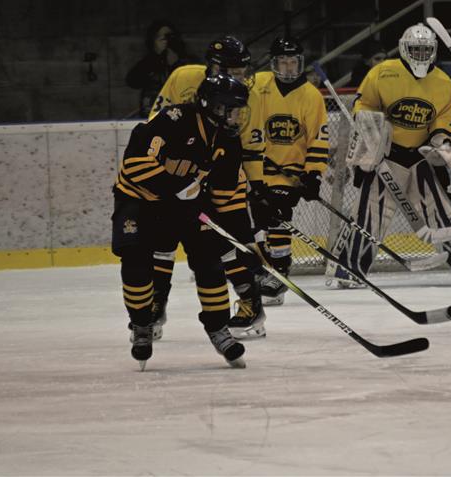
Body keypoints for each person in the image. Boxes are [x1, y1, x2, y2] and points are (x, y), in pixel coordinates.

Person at [327, 23, 451, 288]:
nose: (419, 55)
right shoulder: (382, 73)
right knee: (370, 214)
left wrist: (441, 145)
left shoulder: (442, 82)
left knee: (440, 211)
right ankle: (351, 269)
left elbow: (444, 122)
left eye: (425, 50)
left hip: (420, 158)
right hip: (386, 156)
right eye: (414, 49)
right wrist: (372, 128)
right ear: (404, 49)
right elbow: (364, 105)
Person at [111, 73, 257, 370]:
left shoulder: (228, 140)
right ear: (213, 106)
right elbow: (135, 162)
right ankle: (141, 324)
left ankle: (218, 328)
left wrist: (246, 241)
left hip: (185, 203)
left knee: (210, 261)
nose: (237, 117)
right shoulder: (174, 120)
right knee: (136, 262)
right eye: (232, 109)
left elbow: (227, 196)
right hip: (139, 200)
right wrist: (174, 186)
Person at [140, 36, 265, 340]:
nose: (242, 78)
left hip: (223, 173)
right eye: (235, 70)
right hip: (182, 175)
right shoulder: (184, 77)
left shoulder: (248, 95)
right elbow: (155, 126)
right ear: (215, 66)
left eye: (243, 70)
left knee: (227, 244)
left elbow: (247, 147)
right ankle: (156, 306)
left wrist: (257, 188)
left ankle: (251, 305)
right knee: (161, 242)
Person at [241, 36, 329, 306]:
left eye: (293, 62)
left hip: (288, 173)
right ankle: (265, 270)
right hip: (256, 168)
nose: (289, 68)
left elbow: (318, 138)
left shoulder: (311, 96)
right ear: (274, 62)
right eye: (284, 62)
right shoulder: (257, 86)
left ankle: (280, 272)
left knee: (276, 214)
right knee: (255, 224)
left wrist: (313, 174)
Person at [125, 20, 193, 118]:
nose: (166, 41)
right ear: (152, 41)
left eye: (169, 37)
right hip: (152, 115)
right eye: (160, 37)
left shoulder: (188, 62)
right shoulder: (147, 62)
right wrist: (156, 58)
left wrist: (176, 63)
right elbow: (132, 81)